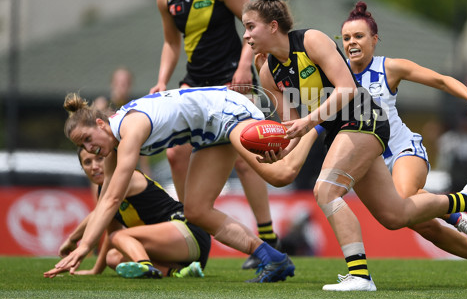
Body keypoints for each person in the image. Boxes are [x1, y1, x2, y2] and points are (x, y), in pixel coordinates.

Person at [242, 0, 467, 291]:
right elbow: (292, 129)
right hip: (341, 131)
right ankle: (465, 200)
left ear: (273, 26)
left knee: (325, 191)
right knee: (395, 215)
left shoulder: (311, 40)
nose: (245, 35)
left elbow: (347, 89)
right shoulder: (267, 73)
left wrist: (308, 122)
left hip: (364, 116)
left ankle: (360, 276)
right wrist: (278, 149)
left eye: (249, 27)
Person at [43, 87, 318, 282]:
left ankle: (317, 123)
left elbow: (113, 200)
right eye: (81, 146)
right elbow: (107, 200)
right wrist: (77, 238)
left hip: (226, 111)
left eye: (88, 139)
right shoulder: (114, 145)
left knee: (281, 175)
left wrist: (82, 248)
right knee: (196, 212)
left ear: (101, 124)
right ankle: (274, 259)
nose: (89, 149)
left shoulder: (130, 129)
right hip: (209, 132)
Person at [340, 0, 467, 287]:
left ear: (374, 39)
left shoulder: (390, 68)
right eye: (346, 38)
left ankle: (462, 203)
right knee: (420, 223)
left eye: (359, 36)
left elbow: (441, 80)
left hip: (404, 150)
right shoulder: (336, 74)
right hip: (372, 165)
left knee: (405, 198)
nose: (351, 42)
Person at [149, 0, 279, 270]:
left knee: (245, 160)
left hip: (230, 81)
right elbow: (172, 43)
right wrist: (161, 82)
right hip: (195, 84)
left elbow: (251, 25)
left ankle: (268, 236)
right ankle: (195, 231)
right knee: (175, 152)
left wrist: (243, 69)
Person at [52, 147, 211, 279]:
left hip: (191, 233)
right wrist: (96, 270)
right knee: (113, 257)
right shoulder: (104, 191)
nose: (94, 166)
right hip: (177, 252)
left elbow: (99, 215)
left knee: (121, 236)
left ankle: (146, 268)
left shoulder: (126, 178)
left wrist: (73, 239)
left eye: (99, 158)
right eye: (87, 162)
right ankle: (178, 272)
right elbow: (110, 234)